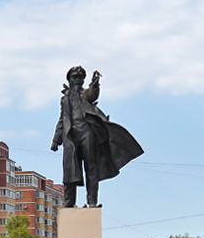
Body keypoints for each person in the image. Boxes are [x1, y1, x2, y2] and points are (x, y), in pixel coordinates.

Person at [51, 66, 143, 207]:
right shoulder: (65, 99)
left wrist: (95, 83)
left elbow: (92, 94)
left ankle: (92, 202)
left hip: (87, 133)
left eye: (80, 78)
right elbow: (62, 120)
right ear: (69, 80)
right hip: (70, 137)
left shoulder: (85, 94)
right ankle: (69, 202)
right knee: (70, 170)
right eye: (74, 77)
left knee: (91, 168)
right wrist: (56, 140)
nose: (77, 80)